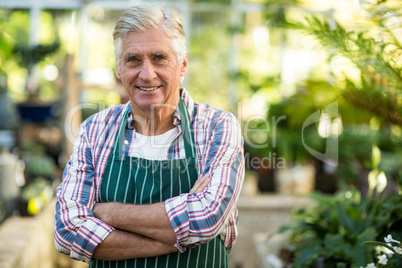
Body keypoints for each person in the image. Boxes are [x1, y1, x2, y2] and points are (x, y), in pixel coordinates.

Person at [54, 4, 244, 267]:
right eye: (133, 59)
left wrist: (106, 212)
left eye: (159, 58)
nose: (146, 74)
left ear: (183, 64)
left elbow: (207, 218)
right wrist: (176, 235)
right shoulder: (94, 130)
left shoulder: (218, 128)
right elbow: (67, 232)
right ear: (119, 69)